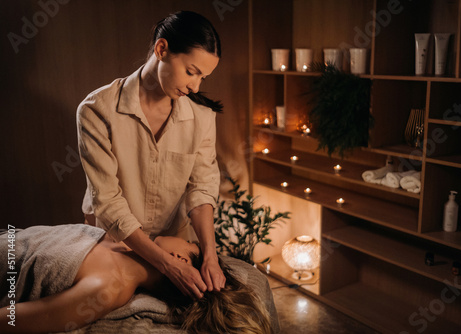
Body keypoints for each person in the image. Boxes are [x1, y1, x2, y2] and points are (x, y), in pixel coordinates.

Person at [76, 10, 225, 300]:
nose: (196, 87)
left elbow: (202, 188)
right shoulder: (97, 110)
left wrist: (210, 257)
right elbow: (108, 203)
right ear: (162, 49)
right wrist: (167, 266)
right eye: (192, 72)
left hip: (173, 243)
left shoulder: (202, 117)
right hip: (115, 242)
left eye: (203, 77)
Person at [0, 225, 272, 334]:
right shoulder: (127, 240)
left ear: (181, 259)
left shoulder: (109, 288)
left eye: (190, 242)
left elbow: (11, 320)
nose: (184, 236)